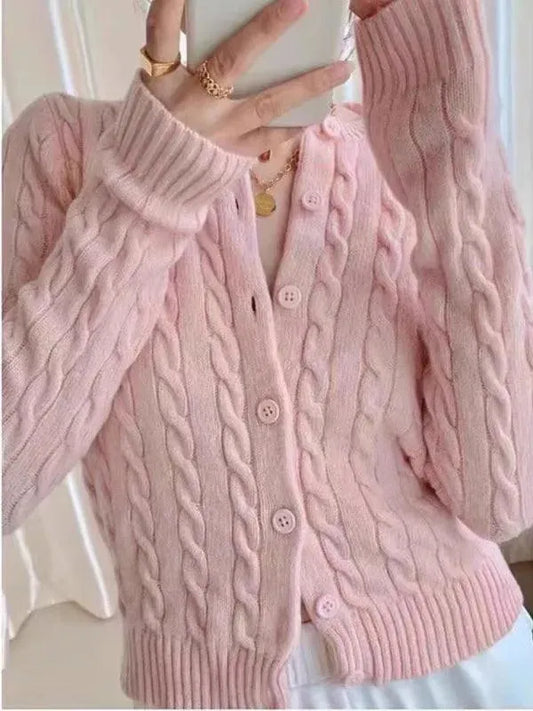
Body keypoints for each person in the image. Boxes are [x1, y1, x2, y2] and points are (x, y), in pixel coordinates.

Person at [3, 0, 533, 707]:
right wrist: (152, 181)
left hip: (472, 668)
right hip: (216, 689)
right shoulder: (66, 150)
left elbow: (500, 500)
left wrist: (445, 134)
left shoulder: (400, 152)